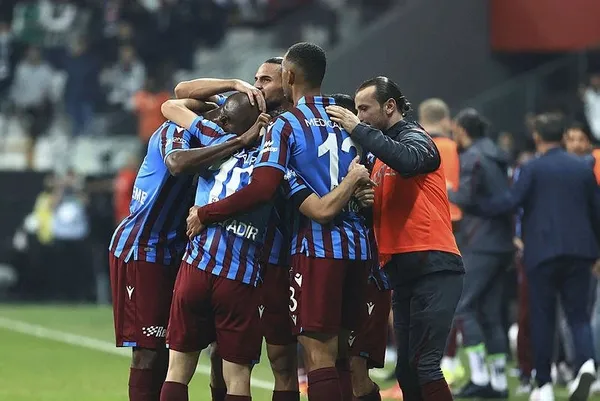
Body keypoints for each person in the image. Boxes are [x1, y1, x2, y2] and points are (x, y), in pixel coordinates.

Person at [190, 42, 373, 401]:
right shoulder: (346, 118)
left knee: (316, 357)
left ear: (288, 76)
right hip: (357, 248)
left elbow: (263, 188)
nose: (258, 85)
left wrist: (205, 213)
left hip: (310, 249)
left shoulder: (285, 126)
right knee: (342, 358)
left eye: (267, 79)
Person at [109, 93, 267, 401]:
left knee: (202, 352)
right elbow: (176, 162)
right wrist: (239, 135)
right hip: (145, 248)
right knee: (150, 353)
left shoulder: (224, 138)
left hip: (182, 251)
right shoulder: (178, 130)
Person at [326, 76, 464, 401]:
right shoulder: (377, 157)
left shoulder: (416, 137)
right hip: (401, 270)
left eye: (365, 109)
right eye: (356, 110)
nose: (359, 116)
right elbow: (383, 213)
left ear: (390, 106)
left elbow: (410, 161)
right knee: (406, 371)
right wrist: (365, 204)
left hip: (434, 264)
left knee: (425, 366)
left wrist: (357, 130)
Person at [473, 113, 600, 401]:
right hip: (580, 251)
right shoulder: (583, 168)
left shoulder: (531, 167)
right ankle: (586, 365)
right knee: (578, 315)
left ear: (537, 137)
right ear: (563, 136)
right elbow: (596, 211)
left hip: (542, 252)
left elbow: (512, 201)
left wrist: (477, 205)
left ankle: (543, 384)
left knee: (543, 317)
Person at [445, 109, 514, 399]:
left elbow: (467, 198)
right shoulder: (499, 155)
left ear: (462, 130)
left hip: (481, 241)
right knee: (490, 313)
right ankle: (499, 383)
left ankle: (480, 376)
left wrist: (447, 191)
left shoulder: (473, 157)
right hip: (503, 243)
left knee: (464, 307)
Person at [418, 98, 465, 387]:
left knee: (419, 301)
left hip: (425, 230)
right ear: (446, 119)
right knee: (453, 299)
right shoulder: (456, 149)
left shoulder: (415, 146)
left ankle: (424, 362)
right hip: (458, 227)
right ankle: (449, 359)